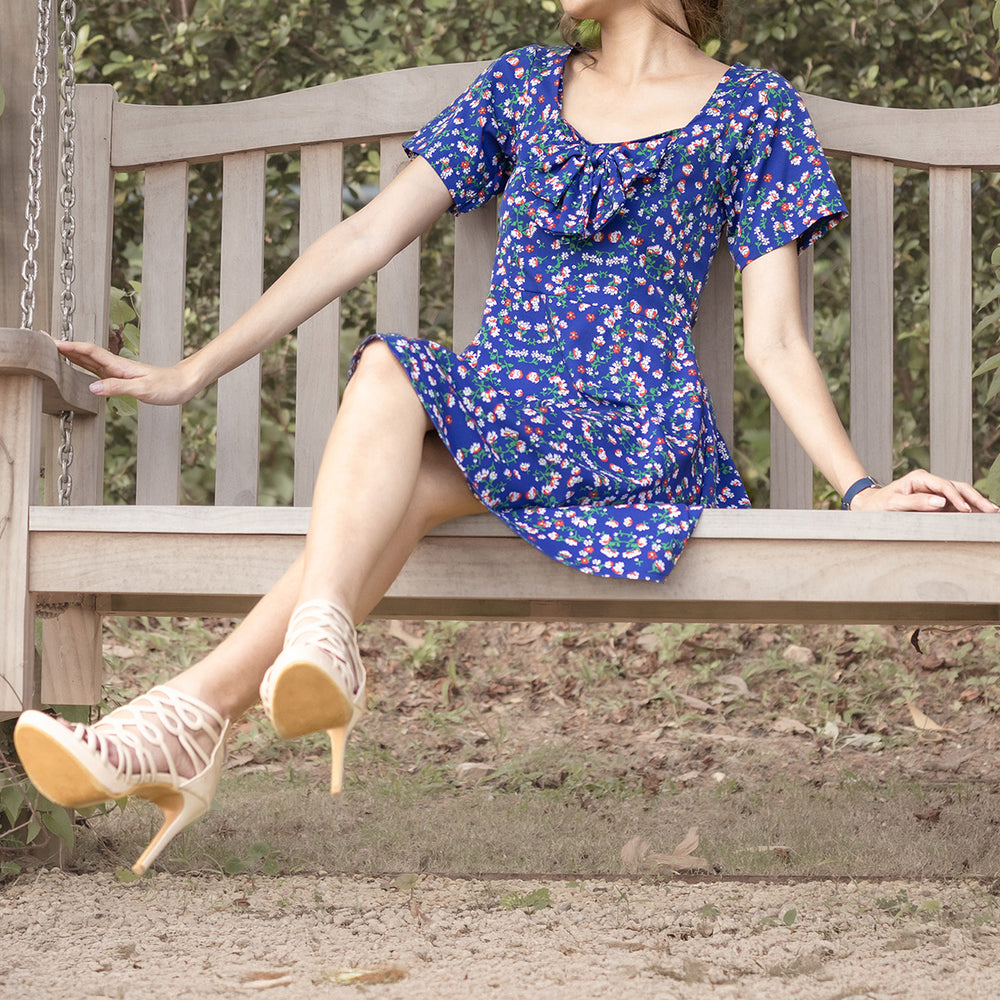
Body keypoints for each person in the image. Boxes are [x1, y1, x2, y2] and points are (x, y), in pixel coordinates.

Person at [14, 0, 997, 875]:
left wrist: (860, 488)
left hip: (637, 430)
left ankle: (198, 715)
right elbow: (365, 235)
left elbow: (773, 339)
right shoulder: (524, 84)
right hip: (504, 416)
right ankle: (239, 691)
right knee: (393, 393)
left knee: (394, 395)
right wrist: (194, 368)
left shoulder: (753, 109)